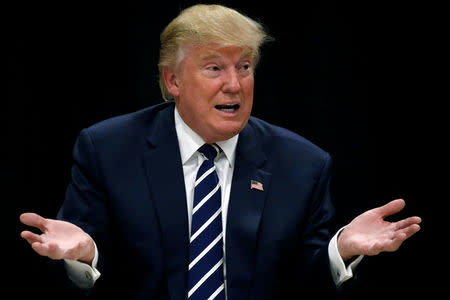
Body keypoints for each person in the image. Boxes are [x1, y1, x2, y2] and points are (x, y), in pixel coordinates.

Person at [19, 4, 421, 299]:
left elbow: (304, 280)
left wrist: (341, 249)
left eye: (244, 67)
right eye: (214, 68)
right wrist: (86, 256)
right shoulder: (108, 150)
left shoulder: (302, 164)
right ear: (172, 80)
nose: (234, 84)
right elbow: (83, 269)